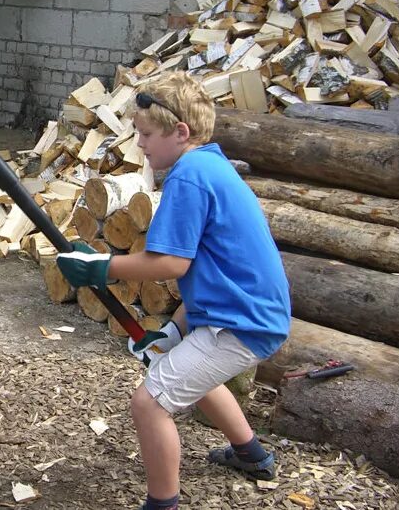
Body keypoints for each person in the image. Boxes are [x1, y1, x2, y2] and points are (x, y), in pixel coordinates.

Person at [56, 72, 291, 510]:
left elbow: (170, 263)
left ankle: (162, 503)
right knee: (192, 373)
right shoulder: (211, 166)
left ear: (180, 132)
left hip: (241, 324)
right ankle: (252, 456)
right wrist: (175, 330)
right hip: (246, 313)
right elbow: (207, 268)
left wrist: (99, 267)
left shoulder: (188, 177)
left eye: (145, 134)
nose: (140, 145)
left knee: (149, 404)